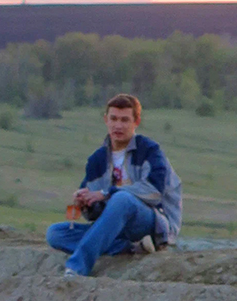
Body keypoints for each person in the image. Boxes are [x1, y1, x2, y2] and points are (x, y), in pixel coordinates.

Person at [46, 93, 182, 277]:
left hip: (152, 222)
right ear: (105, 120)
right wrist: (85, 202)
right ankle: (130, 248)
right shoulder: (97, 160)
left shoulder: (150, 151)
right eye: (114, 119)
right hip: (116, 228)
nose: (118, 125)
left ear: (136, 122)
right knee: (55, 233)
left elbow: (154, 192)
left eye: (125, 120)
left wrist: (106, 193)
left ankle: (76, 268)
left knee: (122, 198)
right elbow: (95, 213)